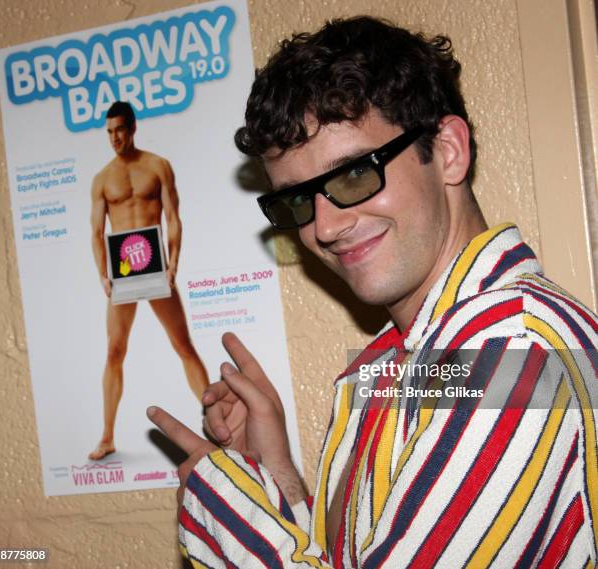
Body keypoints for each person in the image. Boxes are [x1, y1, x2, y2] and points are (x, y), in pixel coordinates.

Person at [147, 17, 597, 567]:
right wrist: (278, 478)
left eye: (355, 174)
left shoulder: (513, 351)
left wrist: (225, 507)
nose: (326, 228)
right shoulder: (394, 361)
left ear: (449, 150)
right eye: (297, 201)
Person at [89, 101, 208, 461]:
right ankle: (108, 437)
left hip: (155, 265)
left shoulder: (157, 166)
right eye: (109, 132)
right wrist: (103, 277)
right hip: (124, 269)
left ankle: (216, 423)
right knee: (114, 351)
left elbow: (173, 217)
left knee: (183, 344)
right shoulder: (102, 178)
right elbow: (96, 231)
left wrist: (173, 265)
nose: (115, 138)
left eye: (120, 130)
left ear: (133, 128)